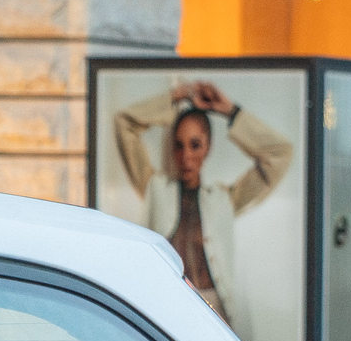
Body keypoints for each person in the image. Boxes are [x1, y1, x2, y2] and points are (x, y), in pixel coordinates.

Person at [113, 80, 294, 321]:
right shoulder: (155, 189)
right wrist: (175, 96)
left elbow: (280, 154)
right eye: (179, 146)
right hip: (167, 308)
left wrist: (231, 111)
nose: (186, 156)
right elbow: (124, 123)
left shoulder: (223, 199)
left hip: (215, 312)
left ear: (208, 148)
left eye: (195, 145)